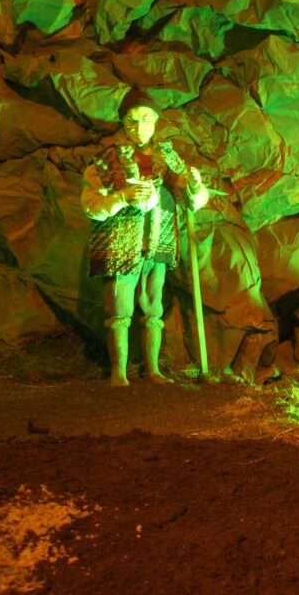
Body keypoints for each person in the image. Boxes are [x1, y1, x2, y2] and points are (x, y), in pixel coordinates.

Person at [81, 89, 208, 386]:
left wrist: (195, 186)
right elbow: (91, 205)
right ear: (123, 123)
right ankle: (119, 372)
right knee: (119, 310)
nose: (139, 128)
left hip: (157, 243)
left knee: (153, 308)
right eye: (132, 121)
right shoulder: (106, 161)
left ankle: (153, 369)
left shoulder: (168, 159)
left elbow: (191, 199)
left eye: (146, 119)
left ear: (156, 121)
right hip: (120, 245)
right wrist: (122, 197)